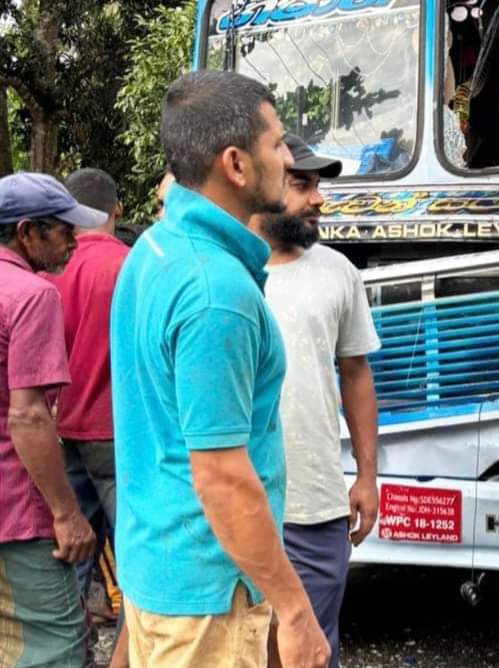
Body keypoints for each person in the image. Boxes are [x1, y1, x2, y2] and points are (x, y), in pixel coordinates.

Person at [110, 71, 329, 668]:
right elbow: (222, 479)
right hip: (206, 596)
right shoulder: (217, 292)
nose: (288, 159)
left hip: (159, 563)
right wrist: (295, 612)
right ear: (235, 164)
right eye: (276, 144)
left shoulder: (154, 249)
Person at [249, 134, 381, 668]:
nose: (319, 199)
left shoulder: (337, 271)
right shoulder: (228, 272)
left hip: (315, 502)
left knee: (310, 647)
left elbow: (356, 373)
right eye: (302, 185)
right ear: (261, 183)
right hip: (237, 499)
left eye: (318, 185)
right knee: (245, 646)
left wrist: (367, 476)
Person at [0, 172, 104, 668]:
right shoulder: (32, 294)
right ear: (27, 232)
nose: (74, 240)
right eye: (64, 229)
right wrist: (66, 514)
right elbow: (27, 416)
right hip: (18, 509)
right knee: (55, 649)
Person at [46, 167, 132, 668]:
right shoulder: (131, 265)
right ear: (116, 209)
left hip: (63, 432)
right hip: (118, 435)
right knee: (136, 559)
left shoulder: (51, 268)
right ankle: (128, 656)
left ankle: (68, 655)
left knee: (72, 556)